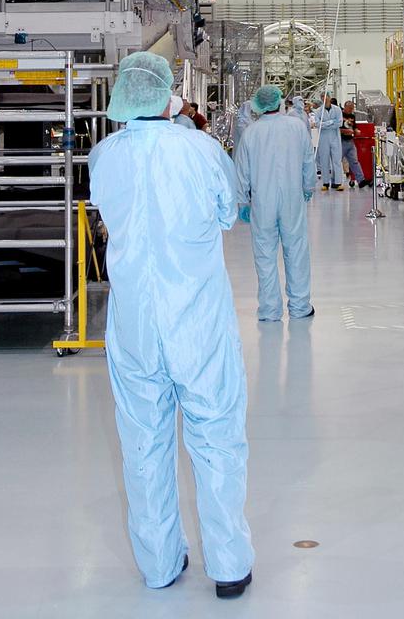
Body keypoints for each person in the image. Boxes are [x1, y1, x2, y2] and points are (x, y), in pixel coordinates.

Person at [89, 52, 254, 599]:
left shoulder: (102, 156)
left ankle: (160, 563)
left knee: (143, 442)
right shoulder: (200, 151)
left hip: (135, 323)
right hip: (197, 319)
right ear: (168, 94)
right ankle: (228, 566)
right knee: (216, 439)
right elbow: (230, 212)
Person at [235, 83, 316, 322]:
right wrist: (309, 186)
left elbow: (242, 170)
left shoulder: (251, 132)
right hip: (292, 198)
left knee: (264, 254)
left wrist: (242, 201)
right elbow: (307, 161)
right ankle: (300, 307)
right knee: (297, 251)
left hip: (262, 201)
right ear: (280, 101)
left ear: (258, 106)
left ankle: (270, 310)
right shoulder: (297, 128)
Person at [312, 94, 344, 190]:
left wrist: (325, 124)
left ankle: (338, 183)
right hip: (323, 139)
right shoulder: (318, 111)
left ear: (330, 97)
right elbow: (318, 124)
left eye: (326, 96)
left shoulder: (337, 110)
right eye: (322, 97)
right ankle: (325, 183)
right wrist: (331, 122)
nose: (325, 99)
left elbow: (339, 123)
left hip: (335, 138)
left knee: (337, 161)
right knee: (324, 161)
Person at [340, 100, 367, 188]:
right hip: (341, 141)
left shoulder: (352, 116)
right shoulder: (339, 115)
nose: (351, 110)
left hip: (350, 141)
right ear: (345, 107)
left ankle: (361, 180)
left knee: (354, 161)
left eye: (352, 108)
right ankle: (334, 181)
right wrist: (345, 131)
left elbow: (354, 127)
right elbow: (336, 128)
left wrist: (356, 131)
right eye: (350, 108)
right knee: (337, 162)